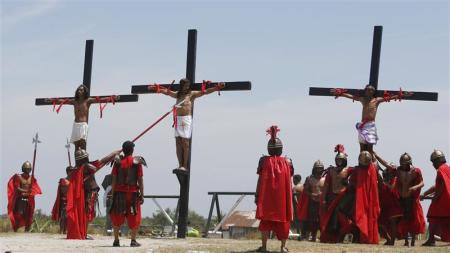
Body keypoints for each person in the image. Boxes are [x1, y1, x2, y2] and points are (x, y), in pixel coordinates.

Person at [156, 78, 225, 174]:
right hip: (178, 119)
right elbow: (168, 92)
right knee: (178, 142)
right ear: (181, 86)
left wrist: (216, 87)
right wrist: (157, 89)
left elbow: (204, 92)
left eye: (187, 86)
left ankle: (184, 165)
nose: (186, 88)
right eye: (184, 86)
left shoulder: (191, 94)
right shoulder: (178, 94)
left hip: (186, 119)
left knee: (185, 142)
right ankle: (180, 165)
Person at [331, 84, 412, 153]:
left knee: (370, 149)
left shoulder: (376, 100)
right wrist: (341, 93)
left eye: (371, 90)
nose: (369, 91)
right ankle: (361, 165)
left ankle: (371, 165)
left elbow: (390, 97)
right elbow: (352, 96)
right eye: (368, 90)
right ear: (365, 91)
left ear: (373, 92)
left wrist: (402, 95)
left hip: (370, 126)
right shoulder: (363, 99)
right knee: (362, 148)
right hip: (362, 125)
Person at [255, 126, 293, 253]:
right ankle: (283, 247)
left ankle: (265, 247)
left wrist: (257, 195)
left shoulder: (263, 161)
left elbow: (260, 180)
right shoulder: (288, 161)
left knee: (266, 220)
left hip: (267, 198)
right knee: (283, 221)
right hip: (282, 198)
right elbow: (290, 179)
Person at [66, 148, 119, 239]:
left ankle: (84, 232)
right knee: (87, 212)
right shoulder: (84, 167)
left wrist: (114, 153)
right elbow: (96, 167)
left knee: (87, 212)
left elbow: (102, 160)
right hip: (88, 192)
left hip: (89, 192)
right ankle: (84, 233)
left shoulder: (80, 168)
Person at [49, 85, 113, 151]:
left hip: (83, 124)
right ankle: (77, 160)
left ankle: (84, 160)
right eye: (79, 90)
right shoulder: (74, 101)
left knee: (82, 143)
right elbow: (63, 101)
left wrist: (111, 98)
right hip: (76, 125)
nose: (79, 91)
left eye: (81, 90)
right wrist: (52, 100)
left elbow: (100, 100)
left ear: (85, 92)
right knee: (76, 146)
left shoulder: (88, 101)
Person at [110, 141, 146, 247]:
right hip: (133, 193)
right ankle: (133, 240)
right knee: (134, 215)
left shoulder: (118, 162)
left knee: (117, 215)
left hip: (119, 192)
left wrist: (112, 194)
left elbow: (114, 179)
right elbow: (140, 180)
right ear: (132, 150)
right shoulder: (137, 162)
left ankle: (116, 240)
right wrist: (142, 194)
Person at [320, 145, 351, 243]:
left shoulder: (349, 170)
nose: (339, 162)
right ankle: (332, 237)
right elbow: (326, 185)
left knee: (342, 217)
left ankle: (342, 236)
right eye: (338, 160)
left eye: (341, 160)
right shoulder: (331, 170)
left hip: (343, 198)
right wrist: (324, 198)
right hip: (332, 197)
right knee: (331, 218)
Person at [348, 151, 380, 244]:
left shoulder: (373, 168)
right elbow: (352, 182)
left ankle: (366, 237)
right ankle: (358, 237)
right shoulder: (357, 170)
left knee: (369, 217)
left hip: (371, 199)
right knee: (357, 217)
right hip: (358, 199)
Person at [395, 153, 425, 247]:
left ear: (409, 163)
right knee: (404, 220)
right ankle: (406, 241)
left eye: (405, 163)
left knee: (413, 220)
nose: (404, 165)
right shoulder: (398, 171)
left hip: (411, 199)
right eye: (402, 163)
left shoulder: (416, 171)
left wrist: (415, 187)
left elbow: (422, 183)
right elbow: (387, 165)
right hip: (401, 198)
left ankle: (412, 241)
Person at [421, 150, 450, 246]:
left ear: (438, 160)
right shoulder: (447, 168)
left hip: (443, 199)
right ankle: (431, 239)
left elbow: (441, 186)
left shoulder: (441, 169)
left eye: (433, 162)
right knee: (446, 219)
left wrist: (436, 197)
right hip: (446, 199)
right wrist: (425, 194)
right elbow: (437, 186)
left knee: (432, 216)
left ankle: (431, 240)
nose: (433, 165)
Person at [373, 152, 403, 246]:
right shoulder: (385, 179)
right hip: (385, 204)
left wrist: (377, 156)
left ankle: (392, 242)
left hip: (394, 203)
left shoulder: (396, 178)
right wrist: (376, 171)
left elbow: (390, 188)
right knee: (379, 223)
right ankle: (389, 239)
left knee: (392, 222)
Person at [7, 161, 42, 232]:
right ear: (23, 169)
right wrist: (25, 191)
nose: (28, 170)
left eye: (29, 169)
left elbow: (34, 187)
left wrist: (32, 191)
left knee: (29, 214)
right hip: (20, 198)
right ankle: (16, 228)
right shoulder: (18, 177)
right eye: (26, 169)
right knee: (19, 214)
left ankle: (27, 229)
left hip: (29, 198)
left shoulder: (32, 178)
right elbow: (17, 188)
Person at [302, 160, 324, 242]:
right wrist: (312, 195)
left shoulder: (325, 178)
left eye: (320, 168)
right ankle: (310, 236)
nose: (319, 170)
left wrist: (322, 195)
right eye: (317, 168)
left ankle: (320, 236)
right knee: (312, 220)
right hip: (312, 202)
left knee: (321, 220)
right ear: (314, 169)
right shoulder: (309, 178)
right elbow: (305, 190)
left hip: (322, 203)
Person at [51, 166, 73, 234]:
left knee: (69, 217)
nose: (72, 172)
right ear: (68, 172)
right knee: (64, 216)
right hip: (64, 200)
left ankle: (66, 230)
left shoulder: (74, 181)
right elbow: (63, 191)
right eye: (71, 171)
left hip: (71, 201)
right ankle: (61, 230)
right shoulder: (64, 180)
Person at [292, 174, 305, 240]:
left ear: (295, 179)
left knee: (297, 222)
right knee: (303, 222)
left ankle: (299, 236)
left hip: (297, 207)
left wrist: (297, 204)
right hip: (304, 207)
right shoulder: (304, 187)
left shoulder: (295, 188)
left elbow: (294, 198)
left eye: (293, 179)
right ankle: (303, 235)